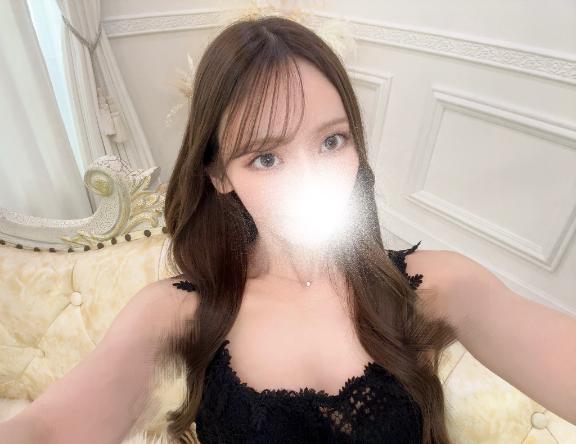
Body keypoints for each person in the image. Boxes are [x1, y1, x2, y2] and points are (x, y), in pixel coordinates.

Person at [2, 14, 575, 444]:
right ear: (219, 176)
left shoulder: (435, 287)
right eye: (267, 158)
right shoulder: (176, 312)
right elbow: (51, 427)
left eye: (332, 141)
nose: (313, 181)